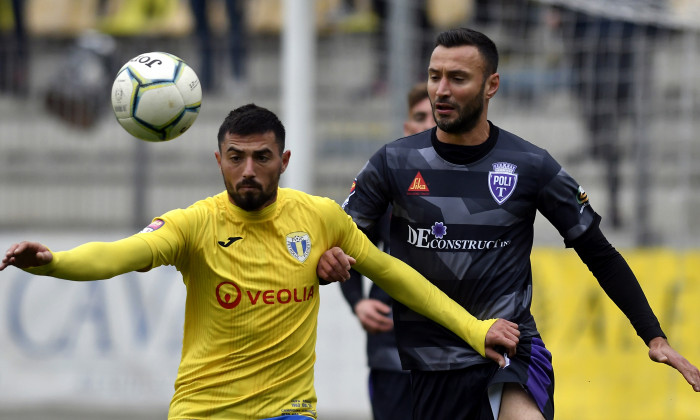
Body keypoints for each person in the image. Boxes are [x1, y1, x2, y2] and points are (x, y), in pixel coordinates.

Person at [0, 104, 520, 420]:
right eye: (236, 156)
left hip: (287, 411)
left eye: (262, 157)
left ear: (284, 161)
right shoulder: (194, 224)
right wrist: (54, 262)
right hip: (204, 410)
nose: (248, 170)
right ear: (219, 159)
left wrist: (475, 330)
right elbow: (118, 255)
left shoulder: (318, 218)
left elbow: (399, 276)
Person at [317, 28, 700, 420]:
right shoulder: (392, 163)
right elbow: (344, 245)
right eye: (435, 76)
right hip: (431, 362)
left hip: (511, 350)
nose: (442, 90)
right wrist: (331, 270)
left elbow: (599, 253)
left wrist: (654, 336)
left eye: (458, 78)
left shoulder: (530, 165)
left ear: (491, 85)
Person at [338, 82, 435, 420]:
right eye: (420, 117)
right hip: (391, 352)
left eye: (436, 117)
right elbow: (346, 244)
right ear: (408, 128)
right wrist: (357, 302)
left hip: (456, 354)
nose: (428, 124)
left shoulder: (474, 186)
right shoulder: (385, 182)